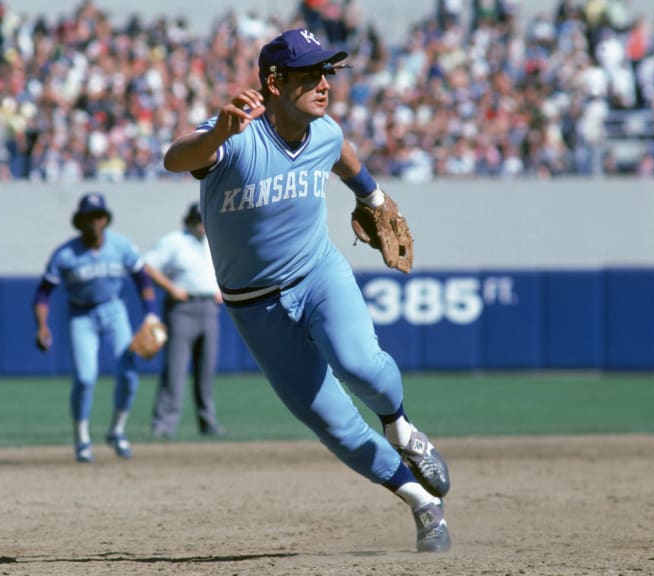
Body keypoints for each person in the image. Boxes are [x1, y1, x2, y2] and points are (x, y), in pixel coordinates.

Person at [162, 28, 452, 552]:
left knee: (361, 364)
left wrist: (376, 198)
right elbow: (175, 159)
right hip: (255, 305)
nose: (324, 84)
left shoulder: (323, 130)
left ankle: (401, 426)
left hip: (318, 273)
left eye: (326, 74)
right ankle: (422, 504)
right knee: (332, 423)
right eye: (309, 75)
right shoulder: (237, 135)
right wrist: (218, 133)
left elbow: (344, 155)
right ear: (274, 82)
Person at [32, 192, 160, 463]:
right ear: (80, 221)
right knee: (85, 377)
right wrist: (42, 325)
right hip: (81, 314)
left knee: (129, 375)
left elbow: (143, 281)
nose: (95, 222)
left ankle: (117, 430)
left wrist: (150, 315)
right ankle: (82, 438)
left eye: (99, 216)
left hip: (114, 309)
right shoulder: (65, 253)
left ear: (106, 219)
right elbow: (43, 293)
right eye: (89, 217)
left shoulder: (121, 246)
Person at [143, 202, 225, 438]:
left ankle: (208, 423)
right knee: (175, 370)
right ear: (189, 221)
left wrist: (222, 289)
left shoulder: (215, 239)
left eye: (204, 221)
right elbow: (147, 265)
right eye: (198, 221)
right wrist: (170, 288)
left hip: (209, 306)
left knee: (206, 371)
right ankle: (164, 424)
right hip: (182, 308)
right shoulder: (174, 241)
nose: (202, 226)